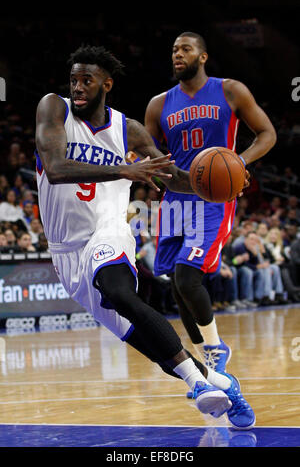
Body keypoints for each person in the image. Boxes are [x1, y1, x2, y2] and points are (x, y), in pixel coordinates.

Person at [34, 44, 255, 429]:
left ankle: (199, 388)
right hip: (65, 253)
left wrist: (218, 186)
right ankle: (219, 383)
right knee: (144, 339)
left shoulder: (127, 129)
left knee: (120, 292)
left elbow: (171, 176)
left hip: (108, 230)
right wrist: (124, 171)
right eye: (74, 80)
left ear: (107, 84)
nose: (78, 88)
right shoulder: (54, 108)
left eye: (87, 81)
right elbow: (54, 168)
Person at [144, 32, 276, 371]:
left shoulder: (230, 90)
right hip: (174, 201)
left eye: (185, 49)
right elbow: (148, 154)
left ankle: (216, 349)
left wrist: (239, 163)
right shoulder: (159, 104)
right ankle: (208, 362)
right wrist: (148, 167)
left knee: (189, 277)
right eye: (174, 50)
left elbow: (267, 133)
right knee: (177, 285)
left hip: (213, 198)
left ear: (203, 57)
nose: (178, 55)